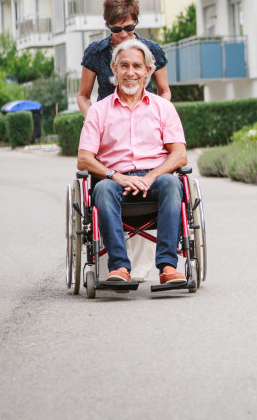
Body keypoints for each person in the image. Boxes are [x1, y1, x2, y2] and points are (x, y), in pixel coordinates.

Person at [77, 38, 188, 285]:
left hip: (155, 180)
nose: (130, 72)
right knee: (103, 189)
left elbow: (180, 155)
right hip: (114, 180)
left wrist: (151, 177)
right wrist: (114, 176)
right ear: (114, 69)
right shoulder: (98, 111)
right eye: (124, 65)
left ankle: (168, 266)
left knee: (172, 183)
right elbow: (84, 160)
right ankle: (119, 268)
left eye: (137, 66)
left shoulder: (163, 108)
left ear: (148, 71)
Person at [78, 0, 171, 116]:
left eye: (129, 28)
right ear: (107, 25)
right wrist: (92, 119)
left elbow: (164, 92)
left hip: (144, 120)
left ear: (136, 22)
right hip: (108, 122)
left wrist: (157, 116)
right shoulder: (95, 52)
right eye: (116, 29)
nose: (123, 34)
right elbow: (83, 96)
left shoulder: (153, 50)